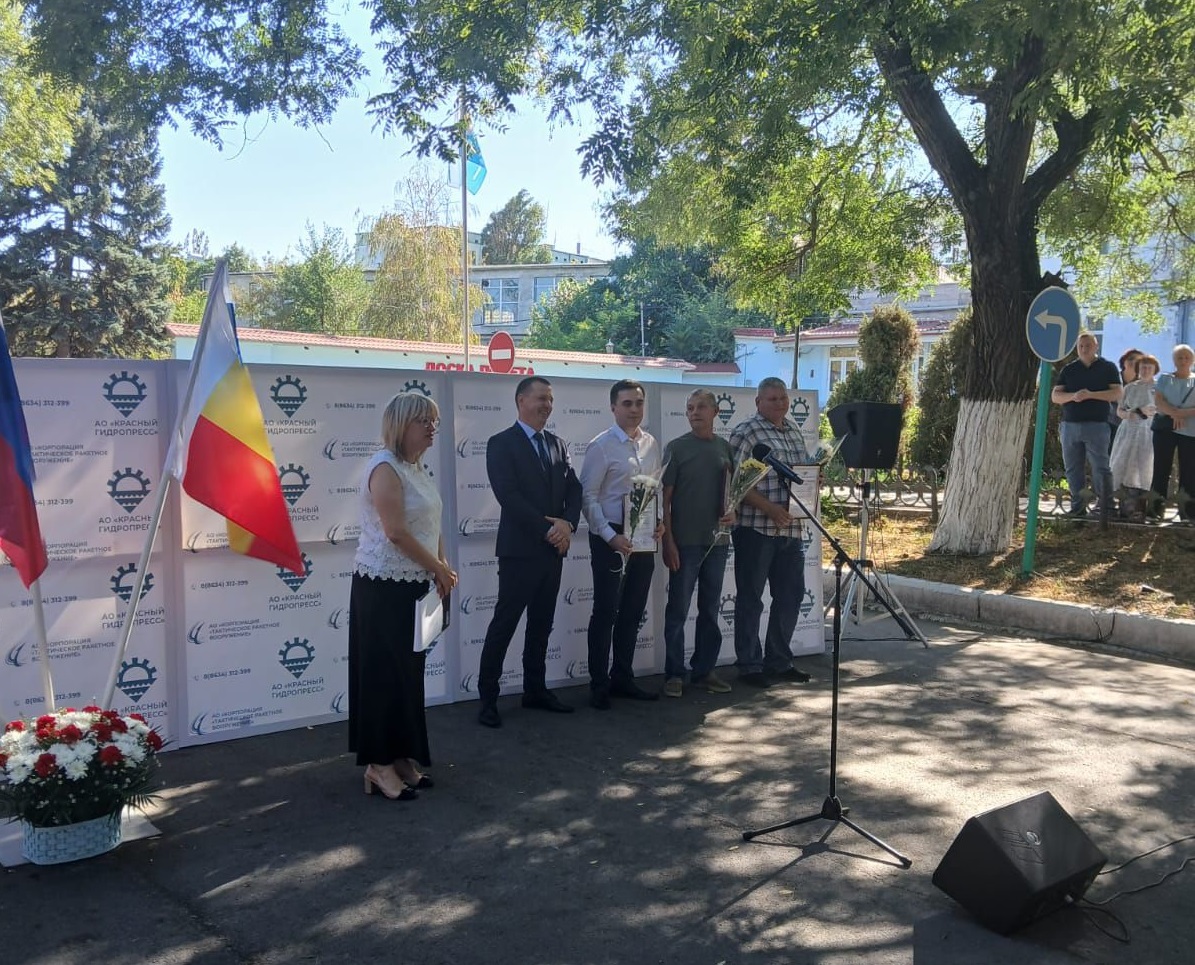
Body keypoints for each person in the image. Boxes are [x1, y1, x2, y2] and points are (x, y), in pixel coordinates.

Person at [349, 391, 457, 801]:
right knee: (382, 676)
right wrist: (437, 568)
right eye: (423, 421)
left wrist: (442, 566)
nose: (432, 428)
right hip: (382, 587)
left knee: (407, 676)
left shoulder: (417, 469)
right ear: (401, 425)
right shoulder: (385, 468)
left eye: (434, 421)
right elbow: (395, 532)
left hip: (415, 586)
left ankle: (400, 758)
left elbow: (432, 525)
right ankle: (377, 765)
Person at [477, 376, 583, 728]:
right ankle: (488, 699)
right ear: (521, 401)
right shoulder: (500, 444)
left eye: (550, 399)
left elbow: (574, 489)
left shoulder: (558, 444)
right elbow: (508, 496)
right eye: (541, 398)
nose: (547, 405)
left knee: (541, 625)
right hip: (520, 553)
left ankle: (535, 690)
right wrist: (549, 530)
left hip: (553, 553)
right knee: (504, 625)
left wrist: (568, 524)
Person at [581, 379, 663, 709]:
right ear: (613, 407)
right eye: (627, 403)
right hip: (610, 538)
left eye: (639, 403)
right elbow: (588, 497)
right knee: (605, 612)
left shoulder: (651, 444)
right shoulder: (600, 446)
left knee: (632, 611)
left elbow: (653, 490)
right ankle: (599, 684)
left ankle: (623, 678)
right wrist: (609, 536)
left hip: (642, 537)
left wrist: (658, 522)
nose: (634, 409)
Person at [728, 377, 812, 687]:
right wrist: (770, 509)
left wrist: (814, 482)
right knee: (751, 599)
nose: (779, 403)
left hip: (791, 529)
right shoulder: (747, 432)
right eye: (772, 399)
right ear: (758, 402)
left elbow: (800, 475)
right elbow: (735, 483)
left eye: (783, 398)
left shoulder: (794, 431)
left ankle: (779, 661)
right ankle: (749, 665)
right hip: (756, 530)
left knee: (790, 596)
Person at [661, 389, 736, 698]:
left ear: (716, 412)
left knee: (710, 609)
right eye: (690, 408)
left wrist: (732, 511)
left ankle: (704, 671)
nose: (695, 413)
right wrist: (669, 541)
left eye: (701, 407)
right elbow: (664, 501)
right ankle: (674, 674)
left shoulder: (725, 448)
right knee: (678, 610)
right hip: (684, 544)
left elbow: (732, 493)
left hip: (717, 543)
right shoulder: (676, 448)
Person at [1050, 332, 1123, 517]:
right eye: (1081, 346)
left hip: (1097, 426)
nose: (1084, 349)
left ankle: (1106, 507)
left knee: (1100, 467)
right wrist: (1073, 396)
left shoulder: (1107, 367)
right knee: (1073, 469)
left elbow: (1117, 393)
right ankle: (1078, 508)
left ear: (1096, 346)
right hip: (1070, 426)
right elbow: (1056, 396)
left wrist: (1091, 395)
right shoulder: (1069, 369)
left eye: (1088, 345)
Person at [1109, 354, 1159, 522]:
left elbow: (1159, 410)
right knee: (1123, 466)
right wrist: (1131, 413)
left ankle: (1140, 509)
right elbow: (1120, 410)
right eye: (1143, 367)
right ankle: (1124, 507)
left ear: (1155, 370)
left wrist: (1145, 411)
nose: (1146, 370)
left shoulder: (1159, 388)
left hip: (1148, 431)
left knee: (1143, 468)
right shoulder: (1130, 388)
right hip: (1128, 431)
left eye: (1149, 367)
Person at [1149, 343, 1195, 520]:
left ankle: (1187, 514)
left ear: (1192, 360)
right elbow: (1158, 401)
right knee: (1160, 469)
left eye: (1186, 357)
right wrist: (1174, 413)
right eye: (1179, 357)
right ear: (1174, 360)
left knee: (1189, 472)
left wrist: (1181, 414)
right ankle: (1155, 511)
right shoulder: (1164, 379)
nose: (1183, 361)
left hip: (1190, 431)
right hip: (1165, 430)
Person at [1108, 348, 1143, 448]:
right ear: (1124, 361)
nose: (1133, 362)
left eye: (1138, 361)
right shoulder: (1112, 378)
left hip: (1131, 428)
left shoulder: (1142, 385)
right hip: (1110, 424)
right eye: (1130, 359)